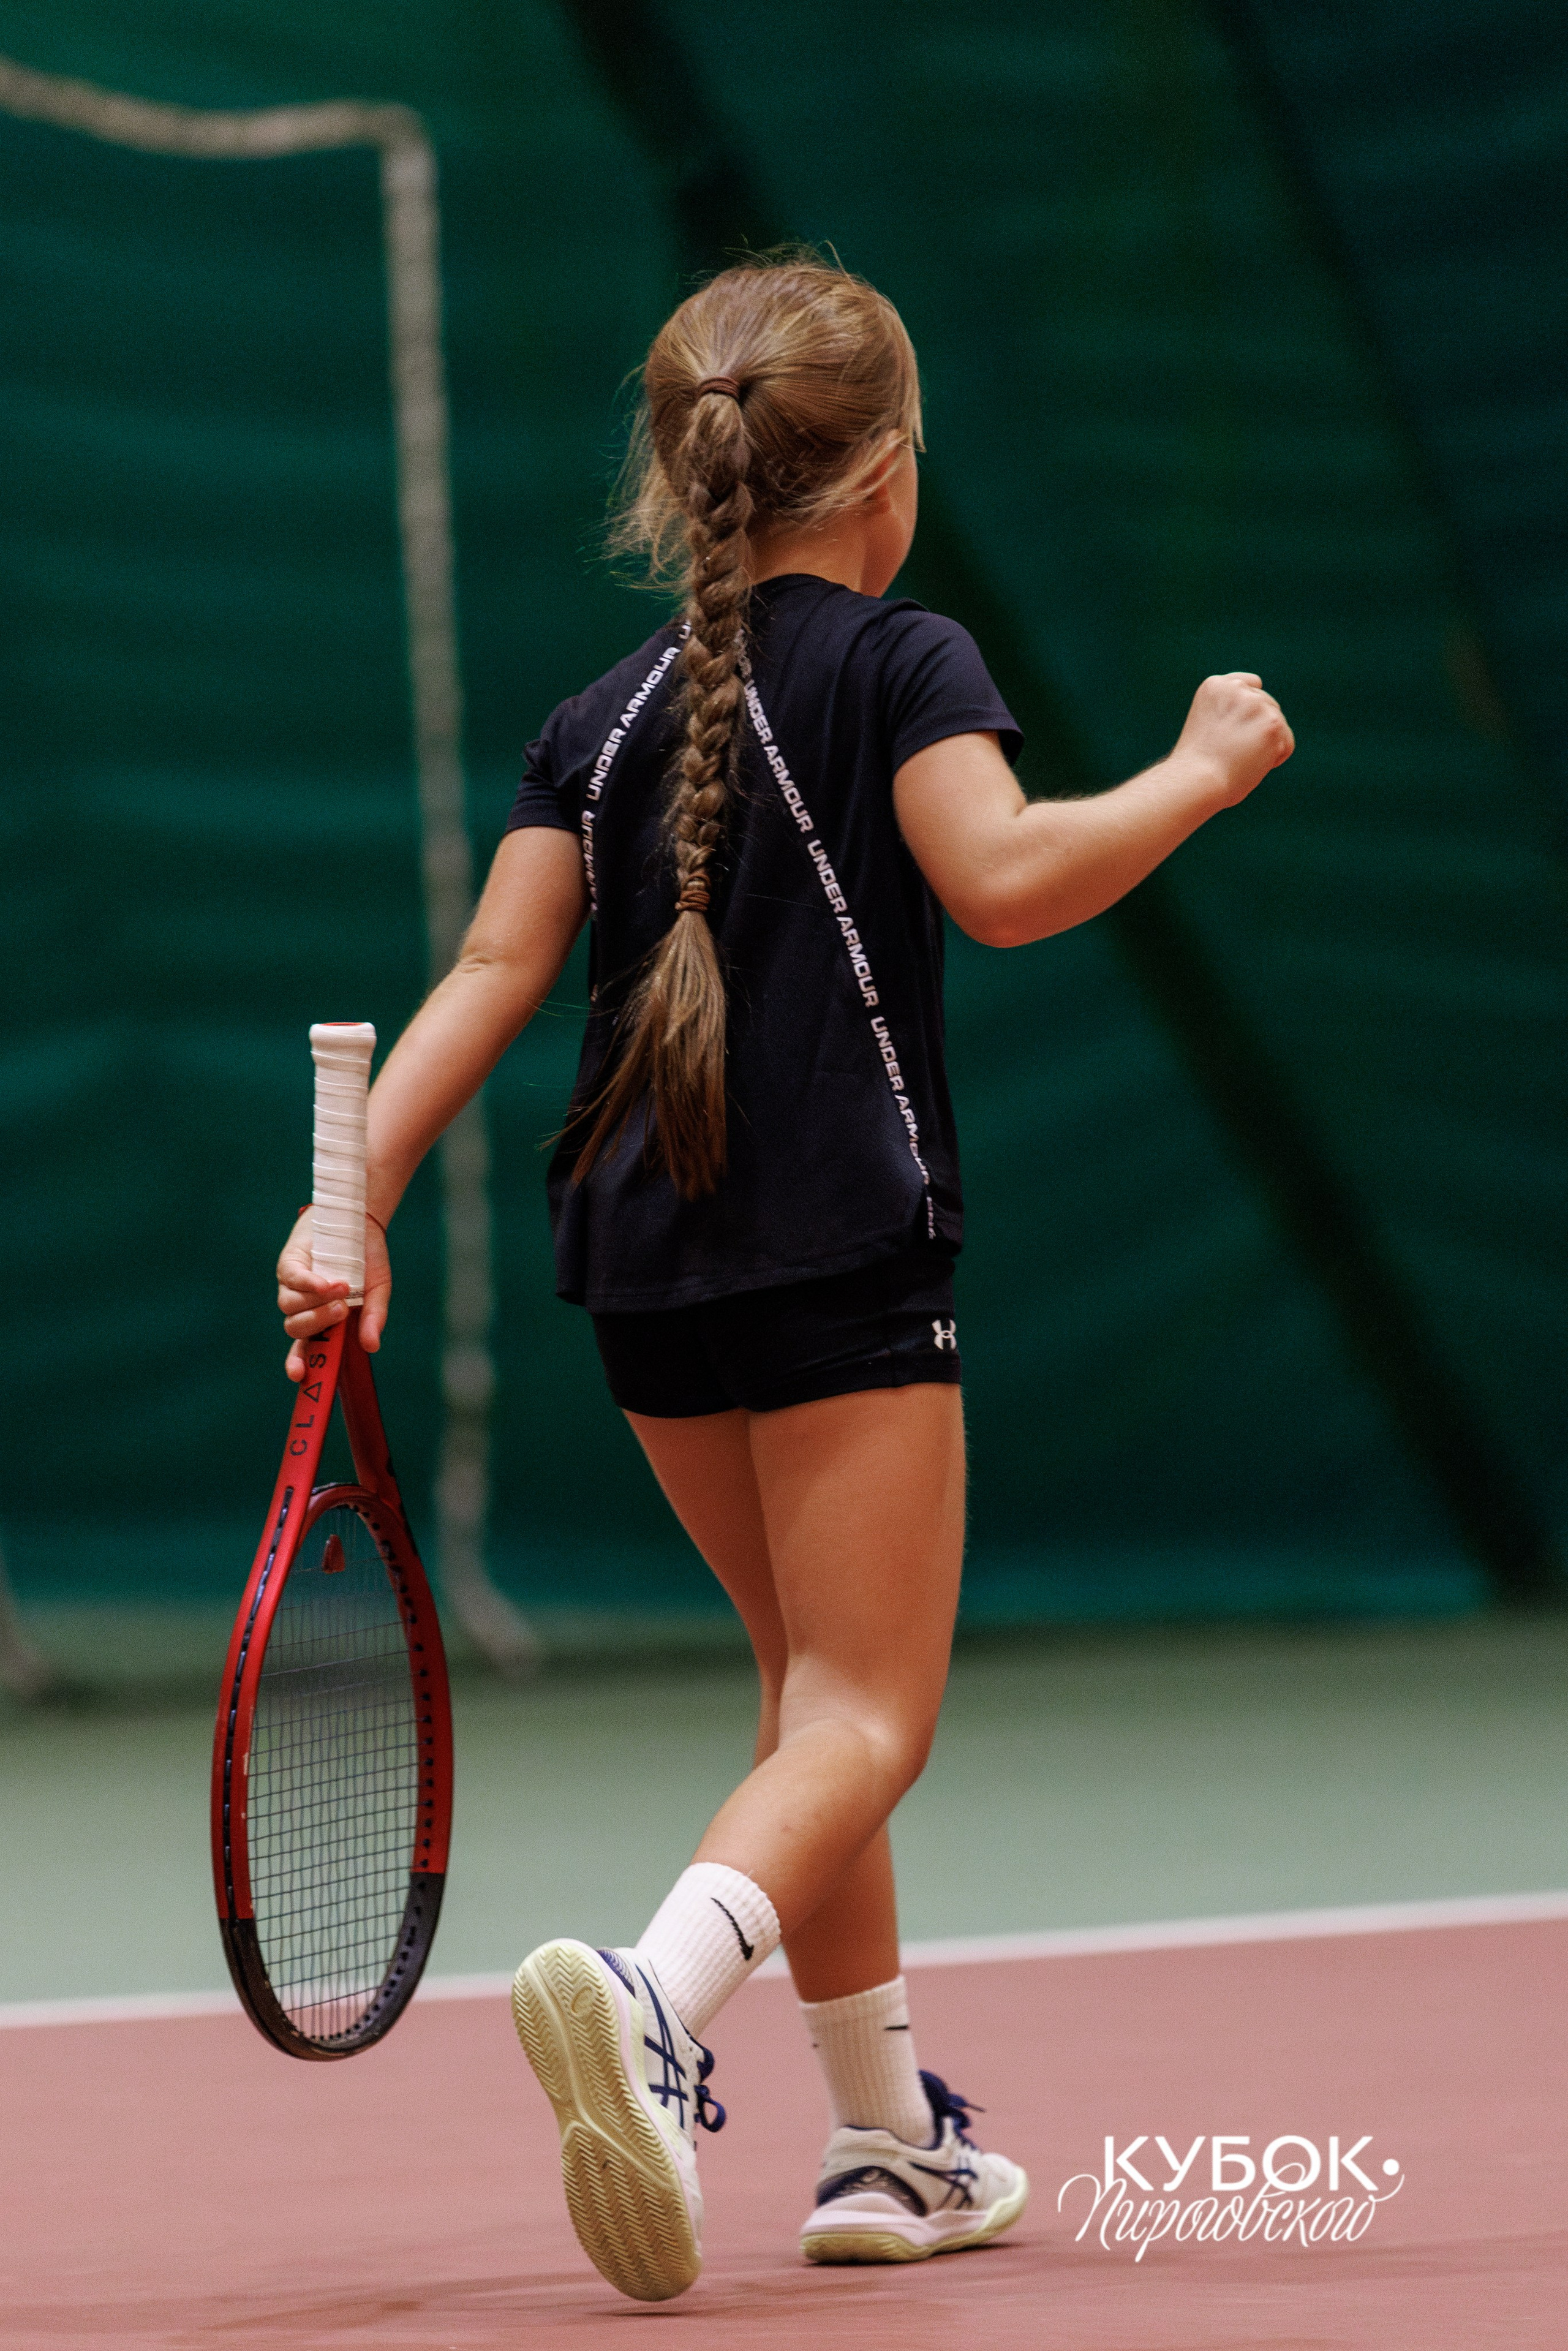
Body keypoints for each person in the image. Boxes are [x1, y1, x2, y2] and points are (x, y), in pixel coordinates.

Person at [276, 254, 1293, 2304]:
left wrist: (345, 1196)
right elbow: (1003, 884)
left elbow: (489, 972)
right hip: (839, 1243)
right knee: (866, 1710)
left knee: (800, 1700)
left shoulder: (602, 714)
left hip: (648, 1278)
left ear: (689, 478)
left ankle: (884, 2144)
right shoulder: (905, 660)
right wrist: (1198, 773)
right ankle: (656, 2004)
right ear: (887, 472)